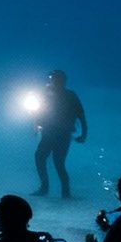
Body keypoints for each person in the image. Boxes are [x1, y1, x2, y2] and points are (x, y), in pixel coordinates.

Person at [32, 69, 88, 199]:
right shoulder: (46, 95)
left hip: (62, 134)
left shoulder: (70, 96)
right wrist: (36, 126)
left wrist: (84, 134)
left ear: (62, 81)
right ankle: (46, 187)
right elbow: (37, 114)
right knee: (41, 158)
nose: (52, 82)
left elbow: (81, 116)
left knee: (58, 163)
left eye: (55, 80)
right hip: (49, 132)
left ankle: (64, 192)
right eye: (52, 79)